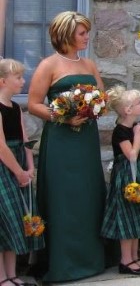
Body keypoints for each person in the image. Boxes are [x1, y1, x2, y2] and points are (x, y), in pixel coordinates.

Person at [27, 11, 112, 282]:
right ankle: (63, 264)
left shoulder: (89, 65)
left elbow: (102, 98)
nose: (87, 37)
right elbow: (33, 104)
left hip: (86, 139)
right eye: (82, 33)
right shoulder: (48, 65)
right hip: (61, 141)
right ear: (66, 35)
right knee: (63, 197)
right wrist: (61, 115)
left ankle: (91, 259)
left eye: (87, 32)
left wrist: (94, 108)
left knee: (87, 194)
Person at [101, 86, 140, 275]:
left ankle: (135, 256)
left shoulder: (132, 127)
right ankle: (125, 260)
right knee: (128, 217)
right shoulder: (120, 131)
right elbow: (132, 155)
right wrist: (137, 136)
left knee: (137, 217)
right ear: (128, 110)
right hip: (127, 177)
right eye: (139, 103)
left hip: (138, 174)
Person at [0, 59, 43, 286]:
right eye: (18, 78)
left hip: (18, 165)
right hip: (4, 168)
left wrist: (30, 166)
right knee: (3, 219)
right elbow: (1, 147)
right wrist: (18, 172)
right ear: (3, 81)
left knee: (16, 219)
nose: (22, 81)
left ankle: (12, 274)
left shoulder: (16, 107)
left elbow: (25, 140)